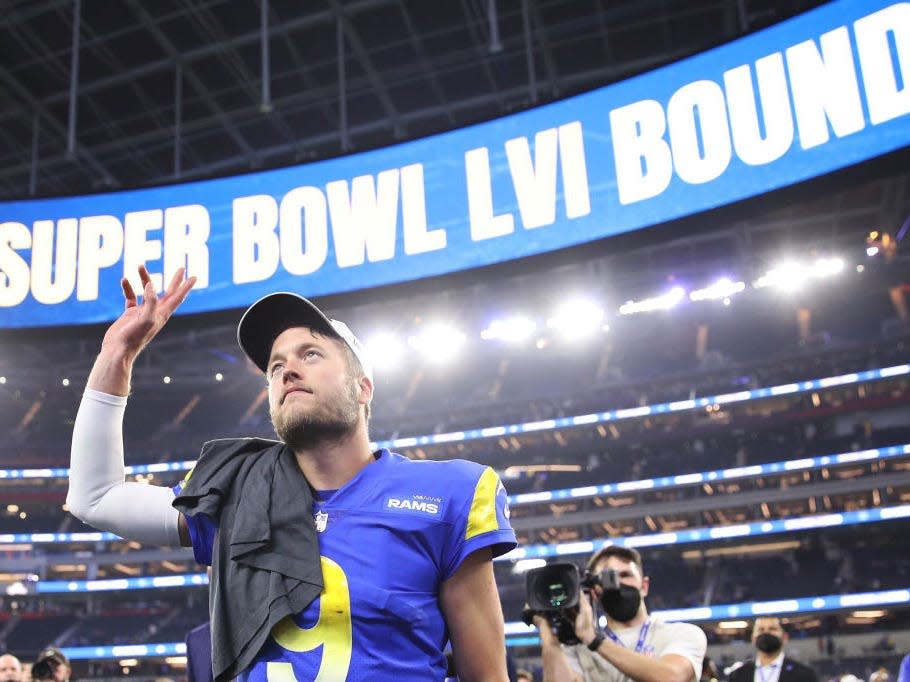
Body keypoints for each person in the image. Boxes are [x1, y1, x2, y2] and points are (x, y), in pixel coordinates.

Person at [67, 266, 517, 682]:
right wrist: (117, 354)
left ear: (363, 387)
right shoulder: (235, 488)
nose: (288, 370)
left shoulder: (448, 494)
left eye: (311, 353)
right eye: (276, 365)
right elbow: (95, 498)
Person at [533, 545, 706, 682]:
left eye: (625, 575)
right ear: (594, 591)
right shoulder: (578, 649)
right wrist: (547, 634)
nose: (618, 583)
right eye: (608, 578)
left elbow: (672, 677)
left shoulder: (682, 633)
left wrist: (594, 640)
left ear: (644, 586)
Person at [727, 617, 818, 682]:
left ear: (784, 637)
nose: (766, 632)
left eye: (772, 629)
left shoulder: (804, 674)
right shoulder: (737, 675)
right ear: (753, 638)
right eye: (761, 629)